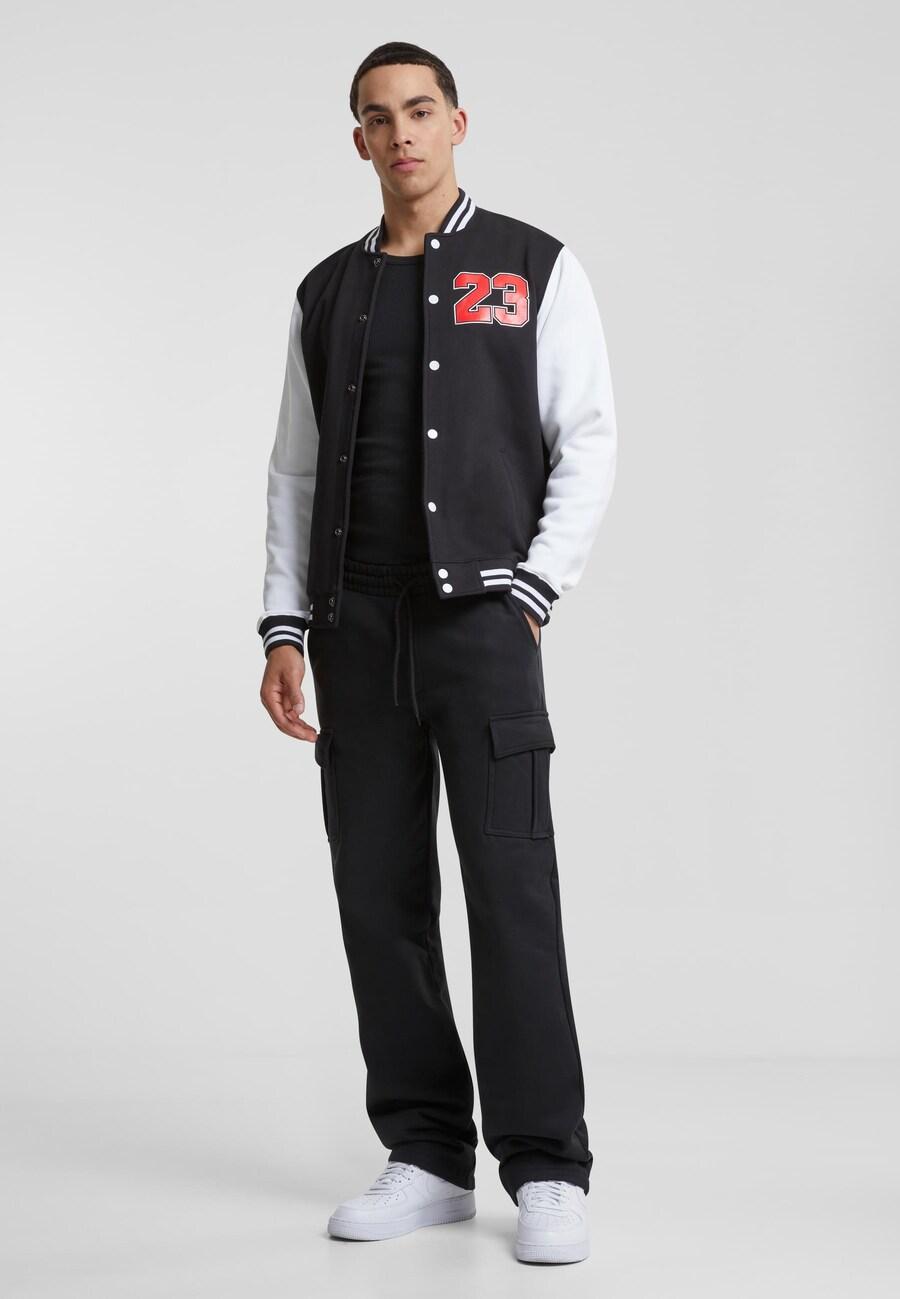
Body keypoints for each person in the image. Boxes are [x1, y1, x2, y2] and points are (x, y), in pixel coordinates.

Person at [257, 41, 617, 1266]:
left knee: (512, 892)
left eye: (420, 110)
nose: (401, 133)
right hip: (355, 632)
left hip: (483, 631)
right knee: (380, 896)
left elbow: (588, 436)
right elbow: (293, 471)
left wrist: (533, 590)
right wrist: (285, 625)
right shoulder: (325, 292)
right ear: (357, 139)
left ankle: (547, 1166)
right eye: (378, 117)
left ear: (458, 122)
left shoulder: (532, 267)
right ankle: (425, 1153)